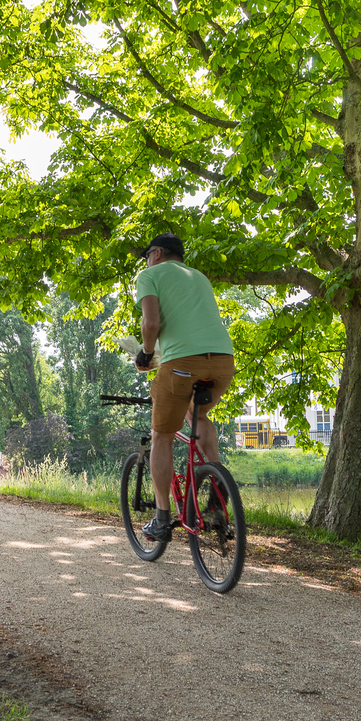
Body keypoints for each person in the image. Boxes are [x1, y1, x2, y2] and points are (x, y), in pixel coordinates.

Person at [132, 232, 234, 542]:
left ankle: (162, 519)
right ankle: (217, 484)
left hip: (181, 364)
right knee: (197, 415)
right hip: (223, 361)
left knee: (161, 436)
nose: (145, 261)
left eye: (146, 255)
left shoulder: (149, 275)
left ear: (157, 253)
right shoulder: (199, 277)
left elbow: (151, 324)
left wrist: (146, 353)